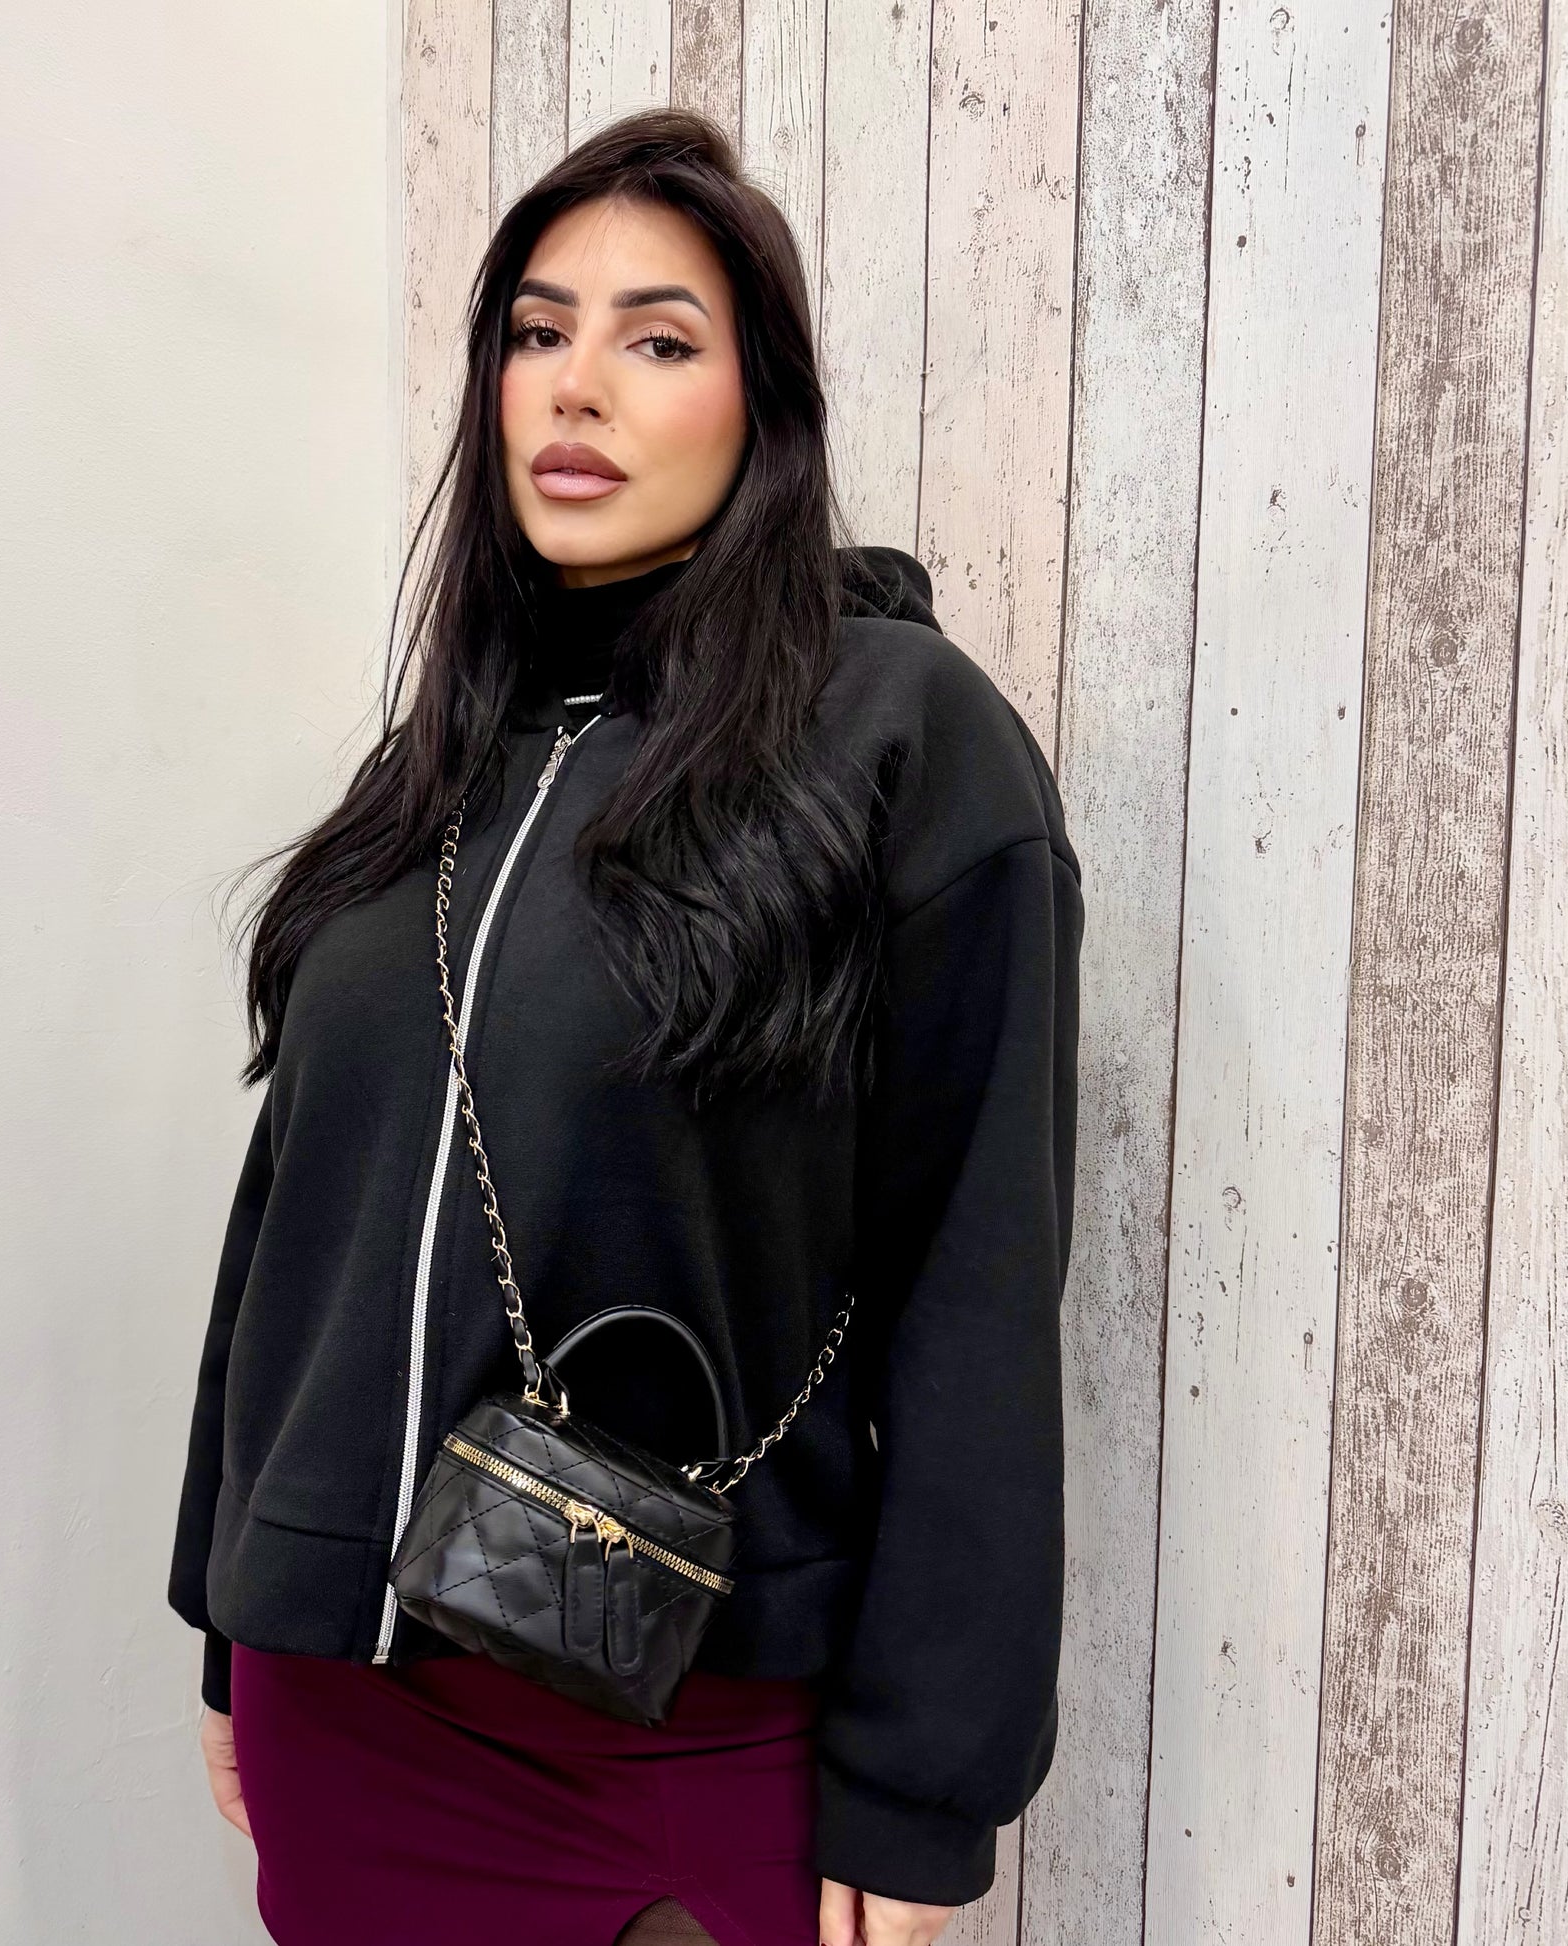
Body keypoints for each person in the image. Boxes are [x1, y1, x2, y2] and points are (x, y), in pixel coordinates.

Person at [168, 107, 1080, 1946]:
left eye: (657, 339)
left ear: (764, 407)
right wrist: (228, 1608)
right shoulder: (432, 772)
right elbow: (287, 1225)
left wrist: (921, 1790)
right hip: (340, 1710)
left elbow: (975, 1287)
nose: (575, 383)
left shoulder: (900, 740)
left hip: (673, 1730)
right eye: (535, 330)